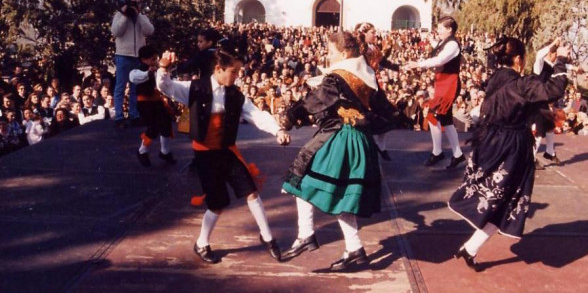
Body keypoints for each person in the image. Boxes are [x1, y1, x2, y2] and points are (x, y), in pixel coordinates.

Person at [447, 36, 571, 271]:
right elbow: (551, 91)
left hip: (492, 141)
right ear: (518, 59)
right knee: (509, 200)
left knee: (501, 200)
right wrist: (561, 61)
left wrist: (546, 63)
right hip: (512, 147)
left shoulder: (499, 78)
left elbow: (532, 90)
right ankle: (472, 247)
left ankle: (471, 248)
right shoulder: (519, 84)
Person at [156, 49, 291, 265]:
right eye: (234, 71)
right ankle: (201, 243)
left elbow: (255, 114)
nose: (238, 75)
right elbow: (166, 87)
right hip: (205, 155)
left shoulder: (235, 95)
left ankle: (268, 238)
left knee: (251, 192)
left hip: (227, 151)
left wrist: (278, 131)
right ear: (219, 70)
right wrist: (163, 68)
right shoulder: (196, 87)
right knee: (217, 203)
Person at [280, 31, 392, 271]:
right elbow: (386, 112)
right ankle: (354, 249)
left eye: (331, 52)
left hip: (341, 140)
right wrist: (363, 119)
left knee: (302, 181)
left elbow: (315, 102)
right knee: (342, 196)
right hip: (360, 141)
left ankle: (306, 235)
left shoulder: (338, 76)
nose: (328, 57)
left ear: (343, 53)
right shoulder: (367, 73)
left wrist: (290, 115)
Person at [405, 16, 466, 170]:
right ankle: (457, 154)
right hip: (443, 83)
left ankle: (438, 152)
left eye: (440, 28)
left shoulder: (452, 44)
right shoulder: (445, 42)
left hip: (449, 84)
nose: (437, 31)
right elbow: (436, 51)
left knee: (433, 115)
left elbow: (440, 60)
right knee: (446, 120)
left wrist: (418, 64)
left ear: (449, 29)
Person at [354, 22, 400, 161]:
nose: (375, 35)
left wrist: (399, 68)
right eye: (372, 32)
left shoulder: (374, 47)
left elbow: (383, 62)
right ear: (364, 34)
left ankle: (381, 146)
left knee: (386, 114)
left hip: (374, 84)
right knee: (365, 117)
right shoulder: (360, 48)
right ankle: (365, 147)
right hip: (363, 85)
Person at [111, 0, 154, 128]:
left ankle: (134, 115)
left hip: (138, 57)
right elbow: (116, 32)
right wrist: (124, 15)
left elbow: (149, 31)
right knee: (120, 87)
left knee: (135, 87)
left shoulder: (142, 17)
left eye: (138, 2)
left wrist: (139, 14)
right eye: (133, 2)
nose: (135, 5)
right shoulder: (118, 16)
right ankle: (119, 117)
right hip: (123, 56)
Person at [130, 45, 176, 167]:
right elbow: (134, 77)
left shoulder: (156, 70)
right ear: (143, 59)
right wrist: (148, 73)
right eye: (152, 59)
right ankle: (142, 151)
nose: (154, 61)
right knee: (153, 128)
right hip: (145, 104)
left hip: (157, 102)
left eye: (155, 58)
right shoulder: (138, 71)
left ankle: (165, 152)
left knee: (166, 125)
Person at [531, 39, 561, 165]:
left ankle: (550, 152)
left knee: (549, 126)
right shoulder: (540, 65)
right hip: (534, 101)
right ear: (550, 53)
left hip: (542, 100)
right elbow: (539, 54)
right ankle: (531, 158)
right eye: (555, 54)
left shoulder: (552, 67)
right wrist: (553, 44)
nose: (556, 57)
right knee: (539, 130)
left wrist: (576, 69)